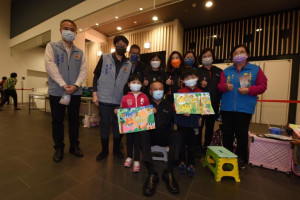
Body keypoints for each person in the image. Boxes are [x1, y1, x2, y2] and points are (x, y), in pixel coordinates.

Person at [218, 44, 267, 169]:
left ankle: (241, 159)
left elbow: (263, 86)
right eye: (235, 53)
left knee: (242, 134)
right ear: (232, 56)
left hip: (244, 109)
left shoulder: (255, 69)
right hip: (227, 108)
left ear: (247, 55)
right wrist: (225, 87)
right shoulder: (227, 71)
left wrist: (249, 90)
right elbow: (219, 86)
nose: (238, 54)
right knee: (227, 134)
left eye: (241, 52)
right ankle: (227, 157)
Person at [45, 19, 87, 162]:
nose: (69, 31)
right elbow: (50, 66)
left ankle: (74, 146)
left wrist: (75, 85)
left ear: (76, 32)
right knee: (57, 121)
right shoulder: (52, 46)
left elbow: (83, 71)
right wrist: (64, 84)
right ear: (60, 30)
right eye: (66, 28)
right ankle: (58, 148)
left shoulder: (80, 52)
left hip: (75, 92)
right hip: (57, 92)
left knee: (74, 120)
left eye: (72, 29)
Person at [93, 35, 132, 161]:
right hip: (103, 97)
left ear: (126, 47)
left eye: (124, 45)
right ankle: (104, 150)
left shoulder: (129, 64)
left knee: (118, 126)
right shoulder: (105, 57)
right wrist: (94, 93)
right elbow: (96, 76)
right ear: (115, 45)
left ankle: (116, 150)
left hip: (119, 100)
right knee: (104, 124)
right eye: (119, 44)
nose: (121, 46)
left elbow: (129, 84)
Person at [140, 81, 181, 196]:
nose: (158, 91)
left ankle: (169, 173)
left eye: (161, 89)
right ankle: (152, 174)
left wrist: (185, 113)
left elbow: (176, 119)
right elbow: (136, 120)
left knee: (176, 134)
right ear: (150, 91)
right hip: (151, 135)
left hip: (164, 135)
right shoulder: (145, 105)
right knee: (143, 134)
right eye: (155, 89)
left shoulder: (168, 104)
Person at [116, 74, 149, 173]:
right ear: (129, 85)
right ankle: (129, 157)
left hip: (140, 125)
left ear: (141, 85)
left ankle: (137, 160)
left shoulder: (145, 97)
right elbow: (122, 109)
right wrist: (118, 111)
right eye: (134, 82)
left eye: (138, 82)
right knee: (129, 141)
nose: (136, 84)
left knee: (138, 142)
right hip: (129, 125)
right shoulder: (125, 97)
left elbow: (147, 110)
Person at [175, 68, 202, 177]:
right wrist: (182, 110)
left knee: (192, 145)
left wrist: (201, 116)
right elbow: (175, 106)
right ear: (183, 80)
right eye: (187, 78)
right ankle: (181, 161)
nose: (190, 80)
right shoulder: (181, 91)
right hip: (182, 122)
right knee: (181, 143)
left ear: (197, 78)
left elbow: (202, 107)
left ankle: (191, 163)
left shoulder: (200, 92)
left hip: (194, 123)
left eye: (192, 77)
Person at [198, 48, 223, 152]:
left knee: (210, 127)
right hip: (200, 104)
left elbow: (222, 88)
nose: (207, 58)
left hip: (214, 104)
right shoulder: (197, 71)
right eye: (204, 56)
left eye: (209, 56)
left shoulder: (219, 71)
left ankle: (207, 147)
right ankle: (198, 147)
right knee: (199, 126)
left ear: (212, 57)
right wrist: (200, 84)